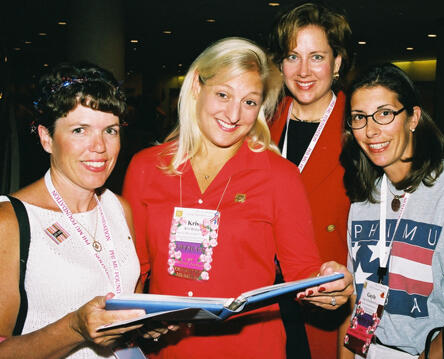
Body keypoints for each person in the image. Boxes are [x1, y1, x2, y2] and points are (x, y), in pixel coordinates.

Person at [122, 37, 353, 359]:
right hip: (168, 351)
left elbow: (303, 273)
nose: (234, 114)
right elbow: (133, 270)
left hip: (252, 349)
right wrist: (137, 320)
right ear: (195, 89)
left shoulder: (278, 175)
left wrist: (330, 288)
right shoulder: (146, 167)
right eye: (222, 95)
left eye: (249, 102)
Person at [339, 64, 444, 359]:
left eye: (384, 114)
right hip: (366, 349)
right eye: (359, 117)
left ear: (413, 118)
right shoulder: (364, 198)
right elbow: (359, 301)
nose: (370, 131)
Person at [0, 62, 149, 358]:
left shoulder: (119, 208)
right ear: (46, 138)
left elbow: (128, 301)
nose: (99, 147)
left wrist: (146, 323)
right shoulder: (11, 221)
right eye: (80, 130)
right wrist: (75, 329)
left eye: (110, 130)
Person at [268, 3, 352, 358]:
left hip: (326, 295)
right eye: (292, 56)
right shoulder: (259, 123)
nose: (303, 71)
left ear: (336, 63)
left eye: (316, 57)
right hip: (264, 299)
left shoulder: (360, 128)